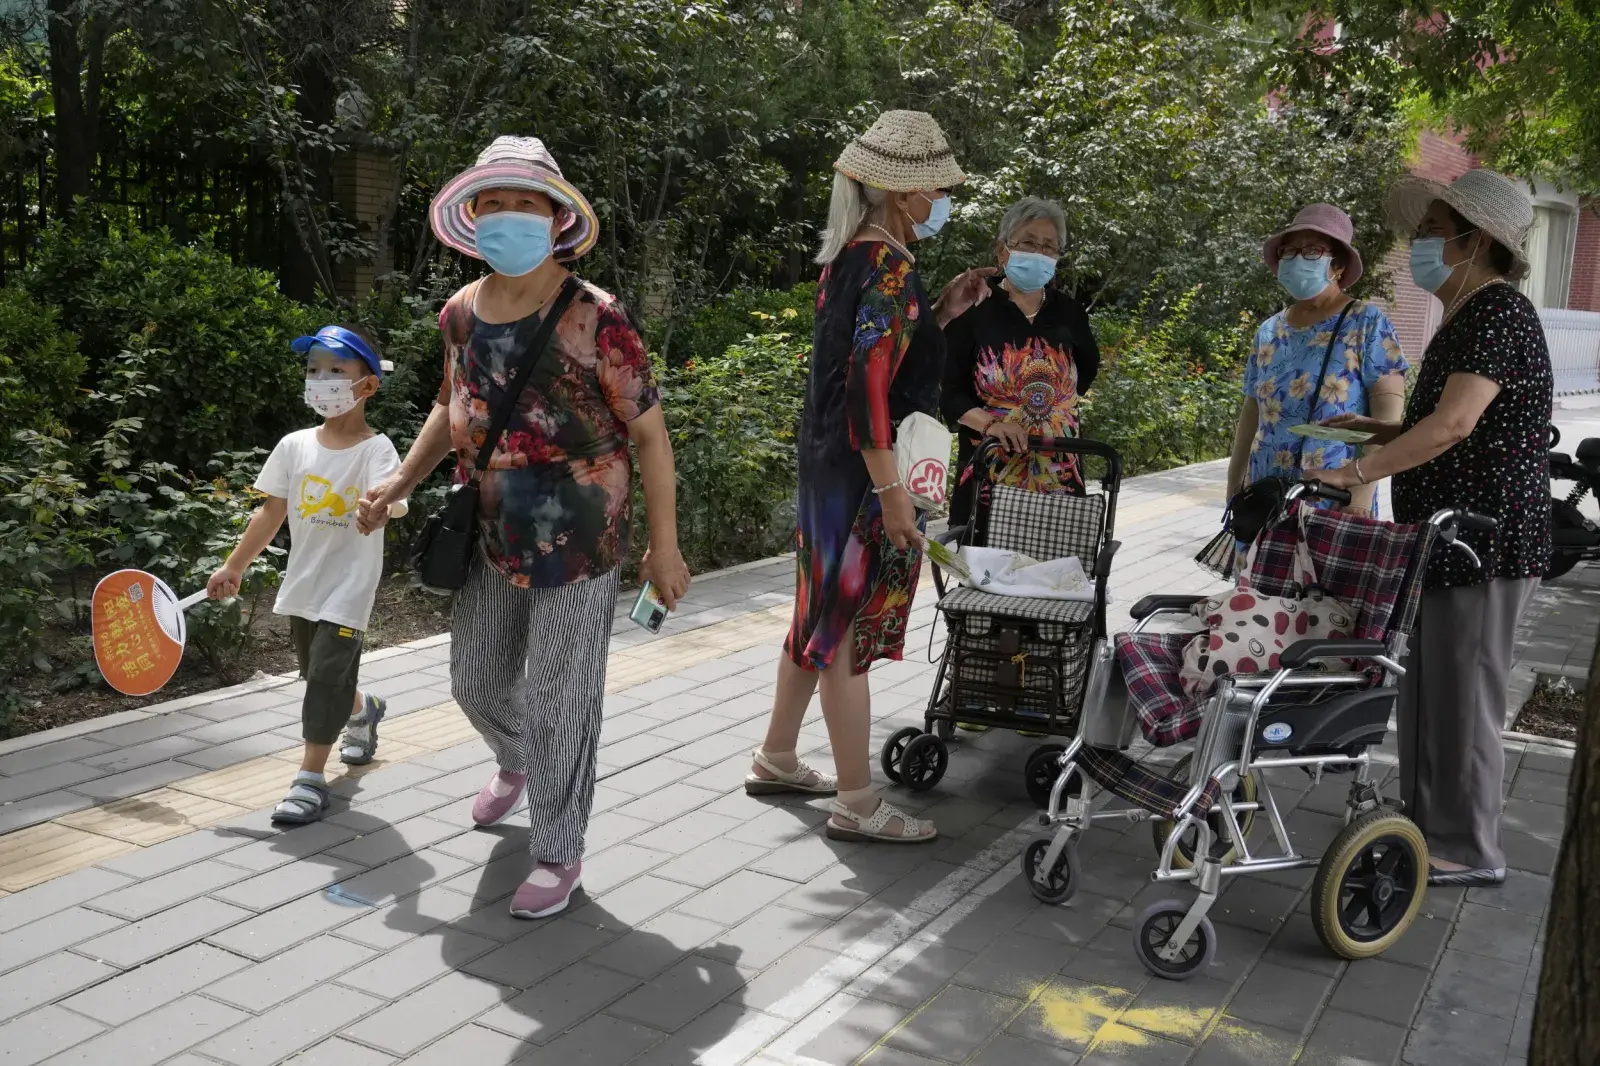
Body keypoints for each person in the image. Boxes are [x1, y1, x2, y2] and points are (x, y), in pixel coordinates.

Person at [359, 137, 690, 918]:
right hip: (493, 533)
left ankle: (559, 849)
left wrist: (664, 546)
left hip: (582, 540)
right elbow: (453, 406)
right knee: (472, 680)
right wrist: (399, 480)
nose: (509, 217)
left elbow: (650, 435)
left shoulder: (596, 317)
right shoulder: (461, 314)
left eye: (527, 204)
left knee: (558, 697)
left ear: (557, 219)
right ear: (472, 218)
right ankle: (517, 762)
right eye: (495, 203)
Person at [745, 110, 989, 843]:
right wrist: (890, 494)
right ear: (901, 193)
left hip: (827, 466)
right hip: (859, 475)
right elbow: (866, 384)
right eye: (937, 188)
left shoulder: (852, 256)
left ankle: (778, 756)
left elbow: (878, 358)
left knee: (814, 617)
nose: (942, 200)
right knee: (844, 635)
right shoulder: (887, 266)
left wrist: (939, 312)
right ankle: (856, 802)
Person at [1318, 169, 1552, 888]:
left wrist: (1356, 473)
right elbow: (1445, 422)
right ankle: (1426, 823)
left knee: (1465, 691)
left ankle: (1469, 847)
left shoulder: (1497, 313)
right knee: (1428, 688)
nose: (1419, 244)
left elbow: (1453, 427)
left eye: (1431, 233)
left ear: (1474, 240)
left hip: (1486, 538)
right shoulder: (1467, 312)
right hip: (1446, 537)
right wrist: (1379, 429)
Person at [207, 325, 406, 825]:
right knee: (319, 672)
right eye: (314, 369)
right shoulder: (294, 445)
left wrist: (378, 508)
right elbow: (270, 514)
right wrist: (234, 565)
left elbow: (392, 496)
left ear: (368, 385)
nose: (322, 379)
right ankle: (363, 708)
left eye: (336, 370)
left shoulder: (375, 449)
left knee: (323, 675)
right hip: (305, 582)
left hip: (350, 585)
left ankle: (310, 779)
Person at [1226, 204, 1408, 522]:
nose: (1298, 259)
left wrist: (1362, 498)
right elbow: (1251, 416)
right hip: (1265, 493)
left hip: (1335, 498)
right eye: (1290, 250)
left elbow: (1387, 416)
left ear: (1337, 265)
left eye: (1312, 251)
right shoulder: (1269, 330)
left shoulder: (1367, 322)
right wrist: (1233, 490)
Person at [942, 195, 1099, 528]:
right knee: (984, 573)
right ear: (1002, 250)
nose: (1039, 253)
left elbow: (1086, 372)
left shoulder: (1069, 313)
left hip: (1060, 477)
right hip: (990, 476)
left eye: (1049, 247)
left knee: (1056, 574)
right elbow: (949, 393)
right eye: (1028, 242)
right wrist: (992, 423)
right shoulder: (973, 308)